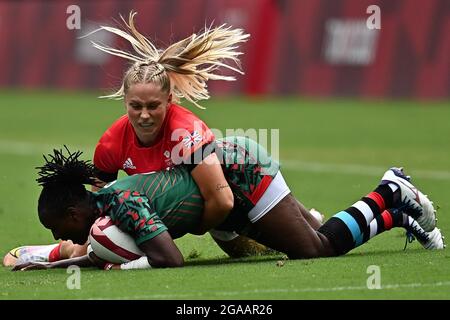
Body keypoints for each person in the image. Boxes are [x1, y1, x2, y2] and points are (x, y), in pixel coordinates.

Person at [2, 11, 291, 267]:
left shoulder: (185, 131)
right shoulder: (111, 143)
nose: (143, 116)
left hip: (219, 205)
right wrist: (80, 254)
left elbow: (220, 199)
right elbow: (96, 212)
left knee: (288, 245)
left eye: (153, 106)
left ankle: (307, 221)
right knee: (110, 235)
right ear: (124, 102)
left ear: (169, 101)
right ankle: (59, 250)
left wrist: (178, 229)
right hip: (158, 215)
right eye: (135, 106)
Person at [13, 140, 444, 271]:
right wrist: (53, 265)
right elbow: (115, 250)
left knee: (314, 249)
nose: (57, 237)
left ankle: (388, 193)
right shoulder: (105, 210)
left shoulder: (122, 202)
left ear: (74, 213)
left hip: (239, 173)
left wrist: (119, 266)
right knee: (314, 242)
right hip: (220, 201)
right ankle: (393, 208)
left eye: (55, 229)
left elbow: (170, 258)